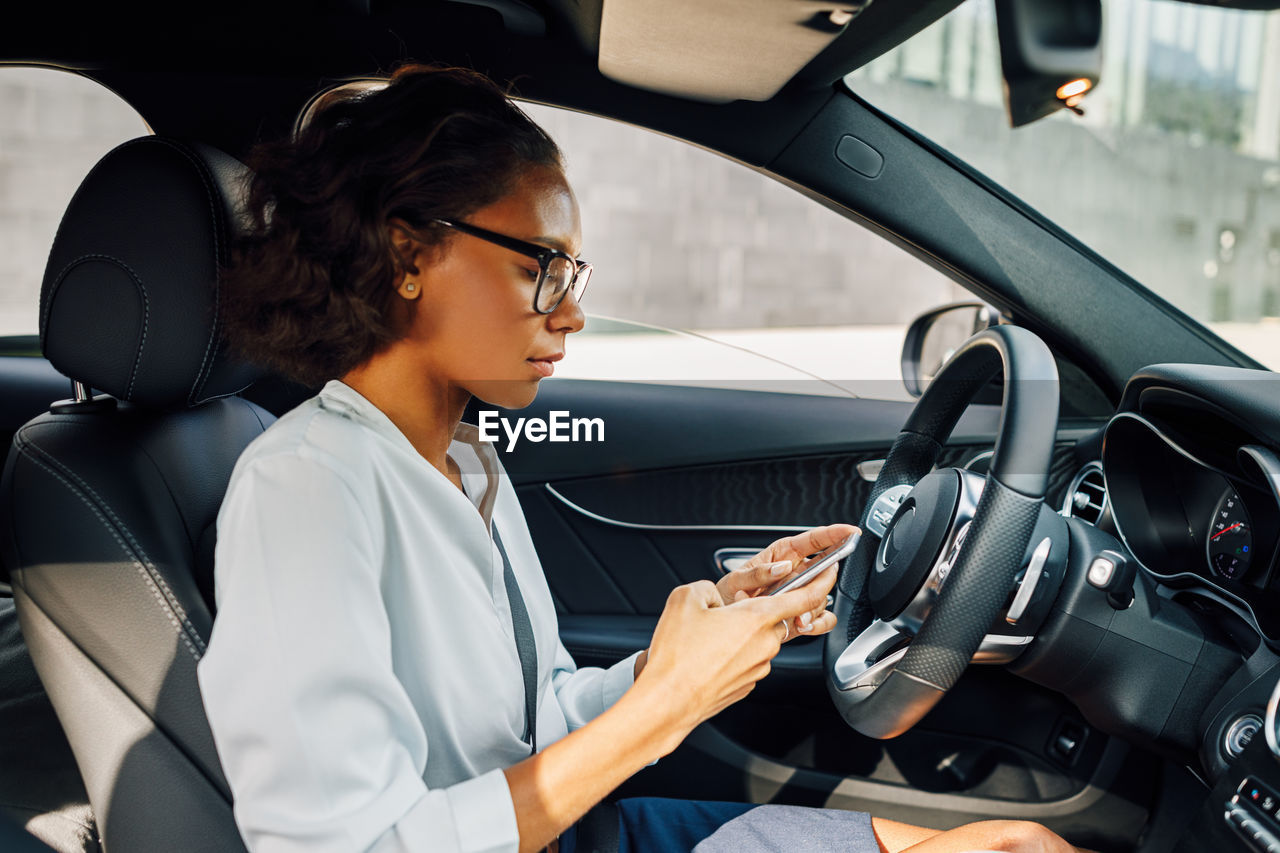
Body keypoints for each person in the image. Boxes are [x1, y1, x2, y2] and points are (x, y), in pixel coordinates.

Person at [195, 62, 1089, 853]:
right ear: (408, 252)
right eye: (542, 265)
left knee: (995, 846)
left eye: (574, 277)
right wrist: (669, 702)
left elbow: (533, 717)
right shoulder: (304, 489)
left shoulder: (464, 465)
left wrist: (683, 655)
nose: (572, 311)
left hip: (577, 830)